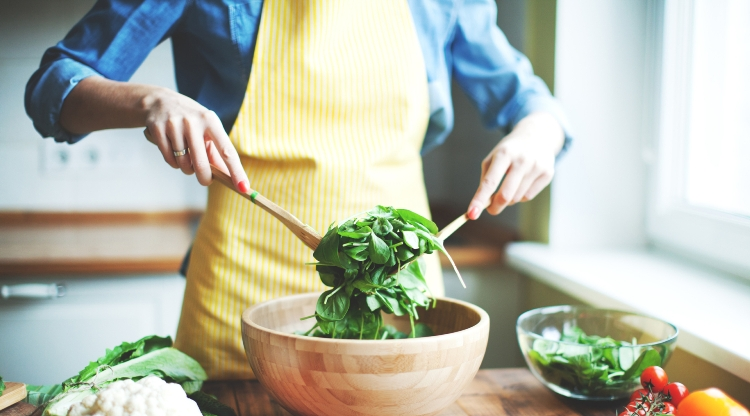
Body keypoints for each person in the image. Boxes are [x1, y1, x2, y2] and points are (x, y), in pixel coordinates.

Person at [26, 0, 571, 379]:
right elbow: (53, 84)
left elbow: (530, 101)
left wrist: (538, 134)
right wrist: (151, 101)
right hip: (238, 306)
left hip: (399, 296)